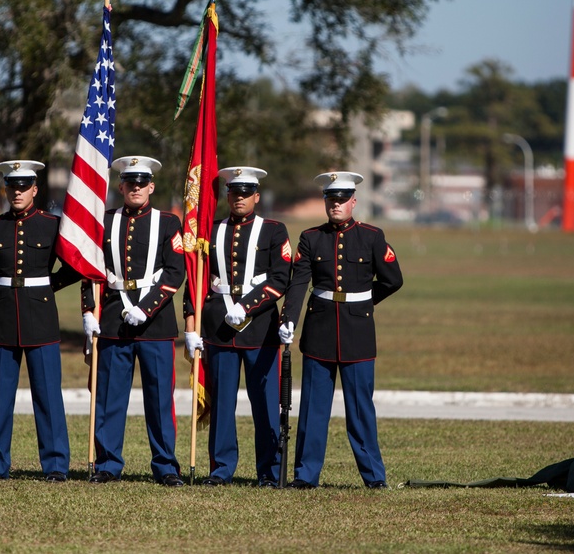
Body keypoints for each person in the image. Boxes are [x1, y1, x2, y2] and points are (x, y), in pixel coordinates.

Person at [0, 160, 80, 482]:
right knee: (0, 396)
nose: (18, 192)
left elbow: (76, 265)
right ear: (5, 189)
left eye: (24, 187)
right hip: (4, 317)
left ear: (35, 190)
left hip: (41, 315)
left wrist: (50, 285)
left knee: (48, 395)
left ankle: (55, 465)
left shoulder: (52, 225)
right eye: (13, 187)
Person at [278, 171, 403, 490]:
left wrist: (364, 302)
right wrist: (288, 318)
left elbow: (393, 279)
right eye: (331, 199)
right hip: (319, 330)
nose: (336, 205)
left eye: (342, 199)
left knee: (361, 410)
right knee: (312, 410)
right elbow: (299, 282)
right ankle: (306, 475)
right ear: (325, 202)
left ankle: (374, 477)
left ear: (353, 202)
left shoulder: (372, 236)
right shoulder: (310, 238)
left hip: (357, 331)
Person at [183, 166, 292, 488]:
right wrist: (191, 325)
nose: (240, 198)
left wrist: (247, 305)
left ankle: (269, 471)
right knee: (221, 403)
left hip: (259, 328)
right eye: (234, 193)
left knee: (265, 405)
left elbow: (280, 278)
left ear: (257, 196)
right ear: (227, 196)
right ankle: (221, 469)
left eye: (246, 193)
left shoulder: (273, 230)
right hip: (219, 327)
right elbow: (196, 281)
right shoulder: (211, 230)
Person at [82, 156, 187, 487]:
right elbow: (90, 269)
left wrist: (147, 306)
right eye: (131, 183)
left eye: (142, 183)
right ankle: (108, 463)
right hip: (113, 319)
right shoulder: (104, 221)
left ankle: (166, 465)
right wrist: (87, 310)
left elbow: (175, 271)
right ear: (121, 186)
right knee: (110, 398)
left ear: (151, 187)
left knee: (159, 400)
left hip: (155, 324)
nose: (136, 188)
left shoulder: (168, 223)